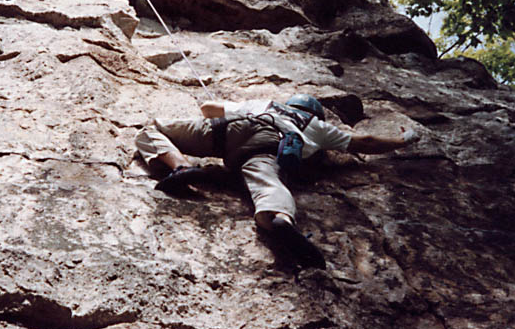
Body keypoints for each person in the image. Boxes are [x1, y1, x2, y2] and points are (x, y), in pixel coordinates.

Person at [135, 93, 418, 268]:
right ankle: (279, 217)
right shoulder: (316, 126)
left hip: (230, 131)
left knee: (154, 128)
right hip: (268, 146)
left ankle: (180, 167)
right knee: (269, 183)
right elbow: (364, 141)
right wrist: (403, 140)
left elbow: (208, 108)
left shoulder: (266, 103)